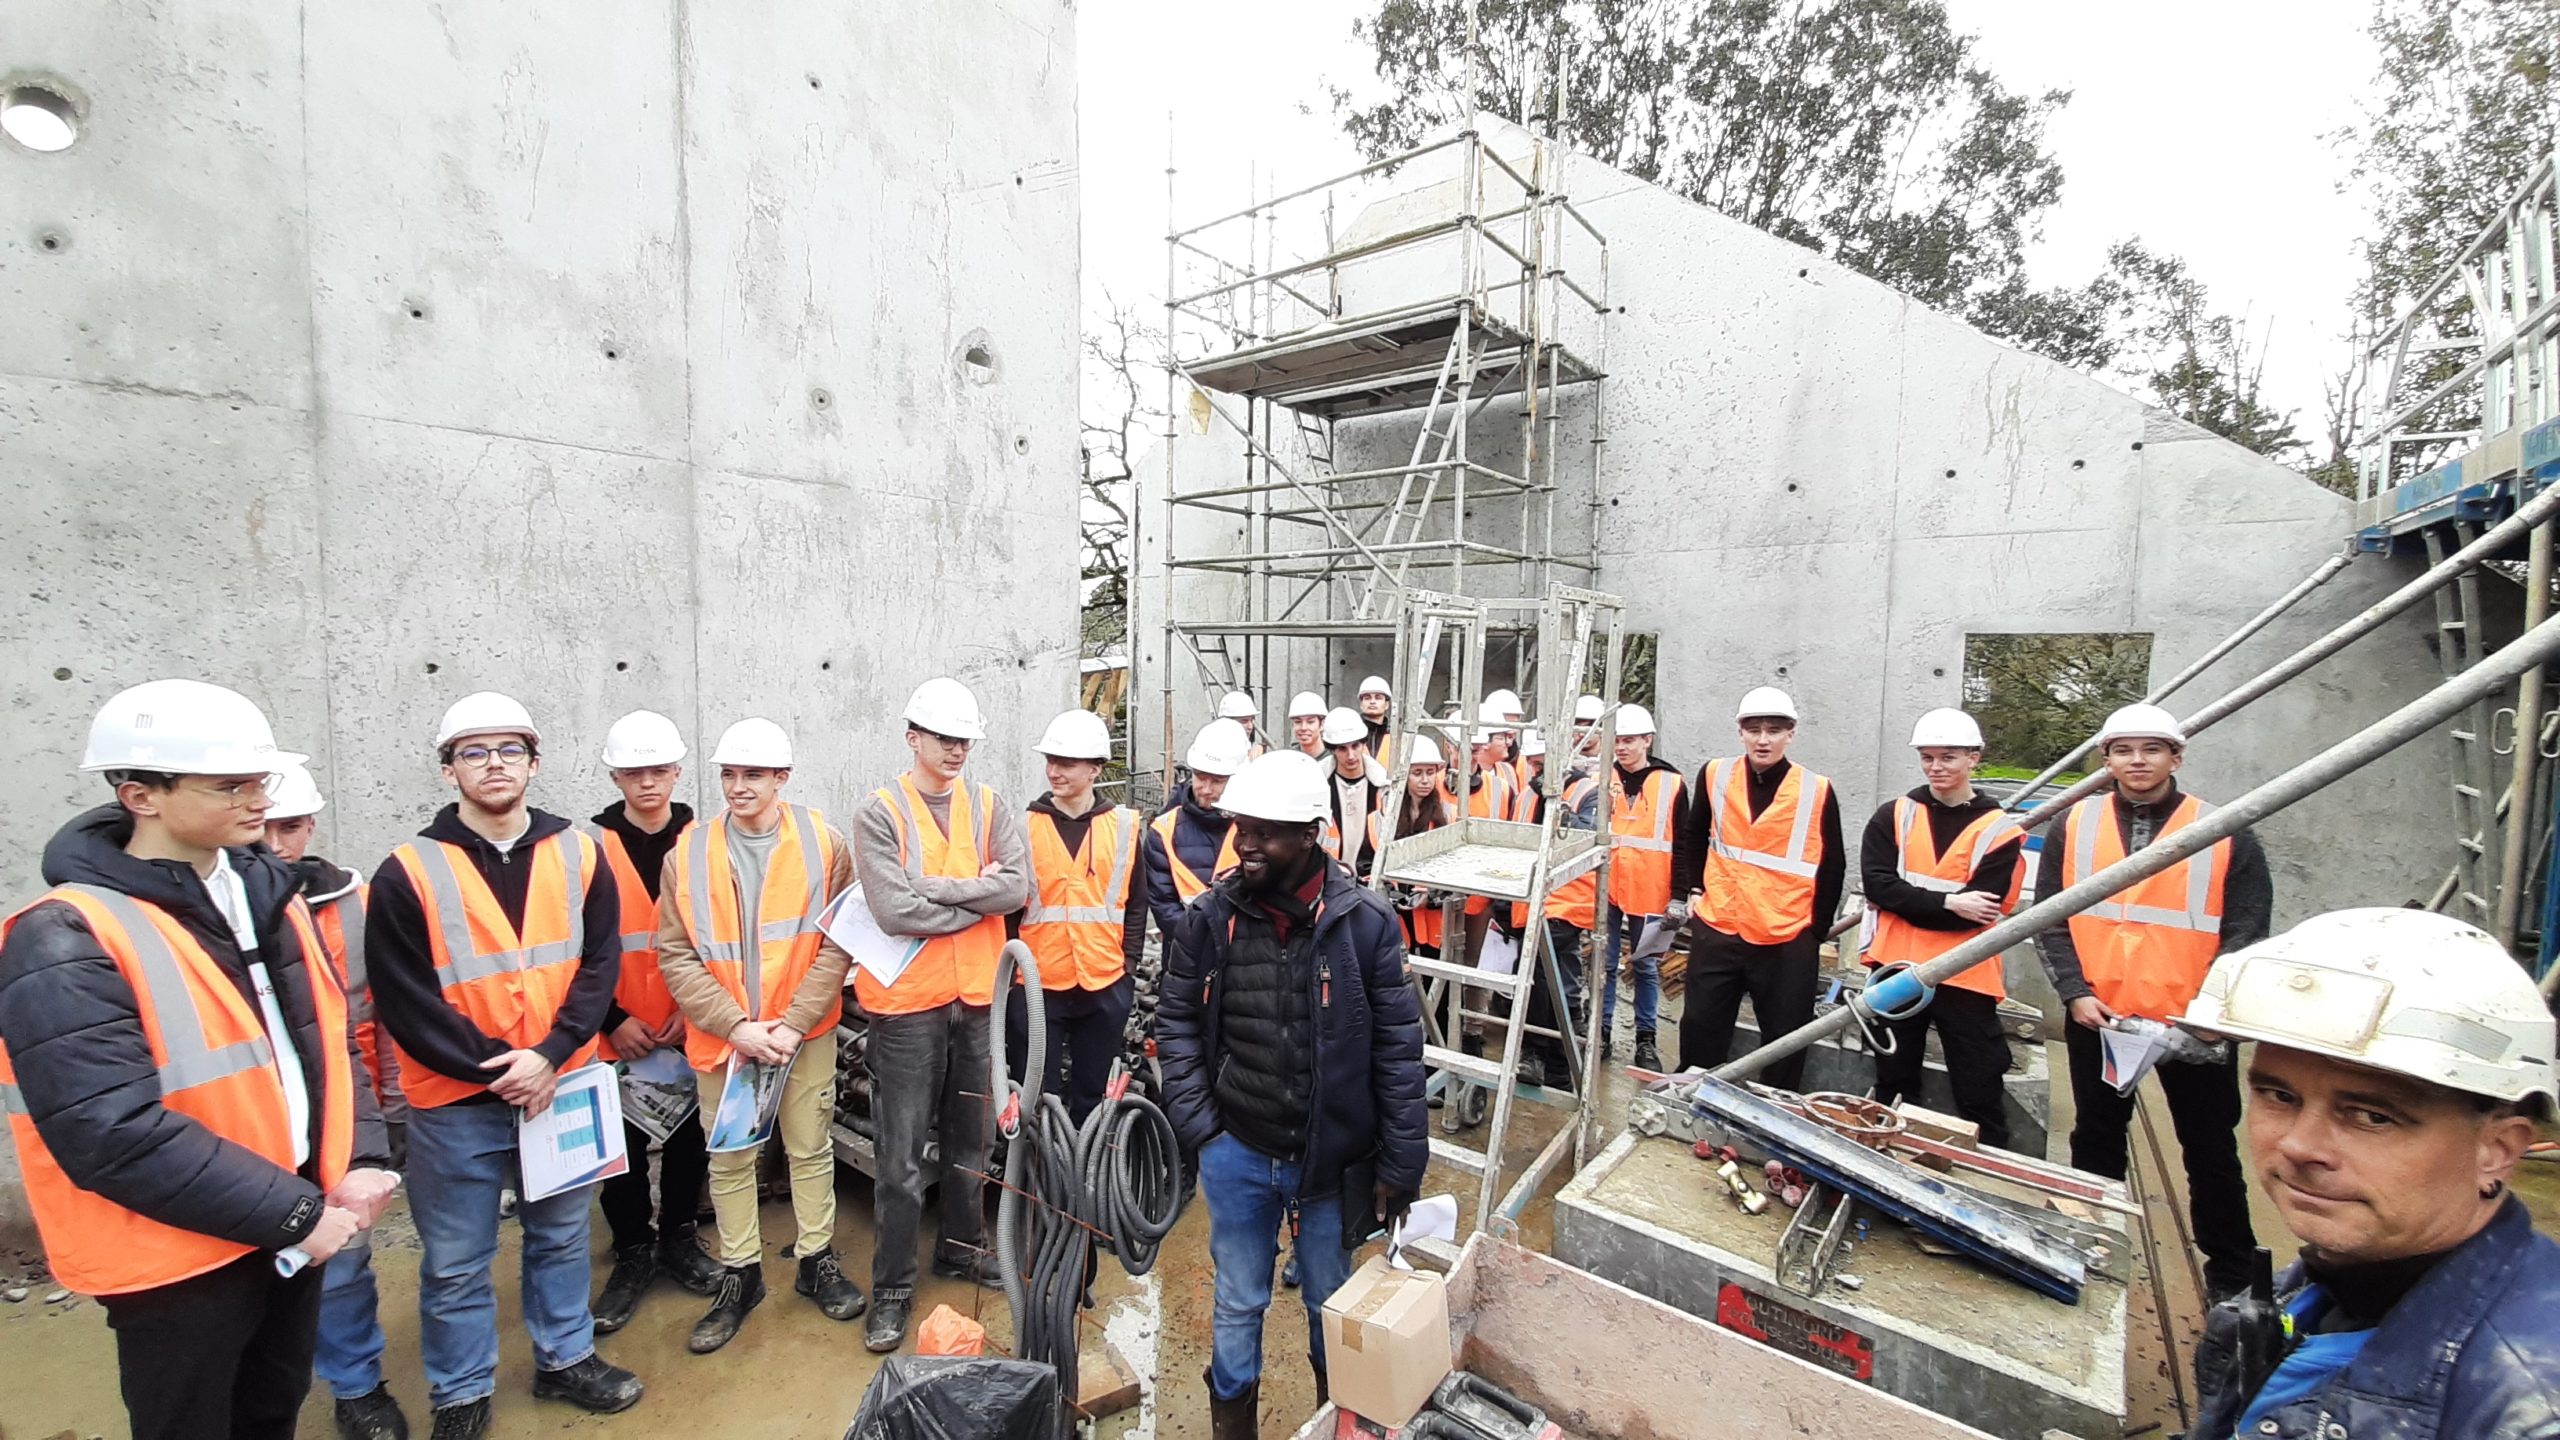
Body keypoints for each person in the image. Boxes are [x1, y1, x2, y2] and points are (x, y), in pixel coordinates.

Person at [0, 681, 394, 1440]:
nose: (258, 801)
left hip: (289, 1227)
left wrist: (364, 1154)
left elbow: (331, 1040)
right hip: (178, 1263)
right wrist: (297, 1212)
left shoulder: (265, 895)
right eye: (231, 786)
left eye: (261, 780)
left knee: (269, 1413)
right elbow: (110, 1133)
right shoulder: (63, 938)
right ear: (139, 793)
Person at [2175, 909, 2560, 1438]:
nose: (2299, 1146)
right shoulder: (2328, 1286)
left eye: (2373, 1116)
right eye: (2278, 1095)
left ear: (2496, 1150)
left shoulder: (2528, 1409)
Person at [368, 692, 642, 1436]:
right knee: (457, 1260)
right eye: (475, 752)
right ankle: (460, 1393)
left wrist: (550, 1055)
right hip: (457, 1103)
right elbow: (406, 998)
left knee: (559, 1237)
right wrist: (502, 1066)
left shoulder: (580, 852)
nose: (494, 765)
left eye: (509, 750)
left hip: (562, 1085)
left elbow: (598, 963)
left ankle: (565, 1359)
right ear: (450, 768)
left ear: (535, 762)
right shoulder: (407, 871)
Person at [1156, 751, 1427, 1439]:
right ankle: (1233, 1426)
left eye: (1265, 831)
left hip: (1328, 1166)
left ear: (1310, 834)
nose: (1245, 841)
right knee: (1239, 1300)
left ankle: (1331, 1422)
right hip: (1237, 1151)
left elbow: (1398, 1049)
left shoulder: (1363, 923)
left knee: (1329, 1306)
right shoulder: (1211, 919)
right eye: (1240, 825)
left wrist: (1401, 1163)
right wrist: (1202, 1129)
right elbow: (1178, 1020)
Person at [2037, 702, 2269, 1298]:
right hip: (2102, 1017)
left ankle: (2232, 1278)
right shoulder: (2074, 825)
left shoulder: (2223, 827)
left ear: (2176, 756)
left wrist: (2211, 1021)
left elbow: (2245, 934)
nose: (2136, 761)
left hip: (2191, 1028)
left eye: (2151, 750)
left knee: (2212, 1152)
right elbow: (2051, 918)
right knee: (2096, 1139)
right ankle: (2092, 1249)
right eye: (2123, 750)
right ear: (2106, 759)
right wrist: (2075, 993)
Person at [656, 718, 861, 1352]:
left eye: (752, 775)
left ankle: (815, 1260)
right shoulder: (686, 854)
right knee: (732, 1158)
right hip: (729, 1042)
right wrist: (740, 1027)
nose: (738, 786)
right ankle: (740, 1275)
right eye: (728, 774)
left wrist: (793, 1024)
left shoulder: (823, 844)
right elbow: (675, 954)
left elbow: (837, 940)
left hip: (804, 1035)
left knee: (809, 1147)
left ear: (782, 778)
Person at [852, 678, 1030, 1352]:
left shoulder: (989, 805)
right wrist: (975, 902)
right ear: (912, 737)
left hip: (977, 1000)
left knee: (972, 1144)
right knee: (898, 1161)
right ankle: (893, 1289)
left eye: (964, 739)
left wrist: (935, 891)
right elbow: (892, 910)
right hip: (906, 1011)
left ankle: (962, 1247)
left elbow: (1016, 886)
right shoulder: (880, 812)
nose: (956, 749)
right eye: (943, 737)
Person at [263, 761, 409, 1440]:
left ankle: (356, 1387)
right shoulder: (194, 911)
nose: (275, 845)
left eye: (290, 827)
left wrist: (389, 1118)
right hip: (242, 1126)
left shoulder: (349, 905)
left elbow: (372, 1019)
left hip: (338, 1122)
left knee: (341, 1261)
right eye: (265, 827)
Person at [583, 710, 724, 1336]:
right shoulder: (585, 851)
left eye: (659, 770)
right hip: (616, 1030)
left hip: (690, 1021)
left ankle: (680, 1240)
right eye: (634, 772)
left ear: (676, 770)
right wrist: (614, 1019)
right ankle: (633, 1251)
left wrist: (689, 1012)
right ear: (615, 775)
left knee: (693, 1137)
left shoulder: (707, 840)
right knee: (622, 1150)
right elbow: (572, 948)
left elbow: (724, 936)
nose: (648, 783)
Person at [1856, 708, 2023, 1148]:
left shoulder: (1999, 830)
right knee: (1893, 1076)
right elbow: (1876, 885)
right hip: (1897, 967)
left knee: (1979, 1081)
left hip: (1964, 972)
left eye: (1948, 757)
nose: (1936, 767)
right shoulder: (1894, 815)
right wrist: (1949, 903)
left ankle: (1988, 1166)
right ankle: (1884, 1156)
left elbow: (1984, 906)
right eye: (1928, 757)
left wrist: (1905, 901)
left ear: (1974, 758)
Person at [1674, 686, 1843, 1093]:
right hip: (1721, 924)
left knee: (1785, 1038)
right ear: (1741, 732)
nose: (1762, 739)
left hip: (1784, 933)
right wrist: (1692, 889)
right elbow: (1693, 835)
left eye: (1773, 730)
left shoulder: (1816, 789)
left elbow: (1832, 864)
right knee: (1701, 1025)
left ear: (1791, 734)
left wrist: (1815, 931)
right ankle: (1695, 1098)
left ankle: (1775, 1109)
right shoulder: (1716, 774)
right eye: (1754, 729)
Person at [1011, 708, 1146, 1123]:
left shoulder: (1123, 827)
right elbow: (1007, 910)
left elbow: (1137, 902)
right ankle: (1039, 1182)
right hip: (1036, 984)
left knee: (1094, 1102)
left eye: (1066, 763)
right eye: (1050, 761)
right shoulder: (1022, 827)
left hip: (1103, 983)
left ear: (1095, 769)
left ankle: (1086, 1182)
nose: (1054, 771)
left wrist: (1128, 967)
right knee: (1036, 1100)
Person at [1600, 704, 1685, 1069]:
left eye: (1629, 740)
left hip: (1652, 891)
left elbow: (1684, 842)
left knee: (1647, 967)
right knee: (1602, 965)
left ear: (1647, 740)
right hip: (1606, 887)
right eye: (1617, 740)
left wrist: (1680, 895)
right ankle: (1600, 1032)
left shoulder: (1672, 782)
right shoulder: (1604, 777)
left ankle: (1645, 1041)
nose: (1621, 747)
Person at [1143, 719, 1249, 943]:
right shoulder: (1164, 831)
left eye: (1217, 781)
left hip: (1246, 961)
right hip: (1187, 956)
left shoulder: (1257, 827)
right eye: (1200, 777)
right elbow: (1164, 906)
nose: (1206, 789)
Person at [1384, 738, 1456, 957]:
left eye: (1430, 772)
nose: (1425, 780)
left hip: (1434, 921)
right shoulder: (1383, 816)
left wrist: (1433, 894)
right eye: (1417, 773)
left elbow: (1456, 871)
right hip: (1395, 918)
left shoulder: (1449, 814)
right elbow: (1369, 865)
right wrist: (1391, 893)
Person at [1318, 706, 1385, 878]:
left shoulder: (1383, 787)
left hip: (1372, 879)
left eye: (1355, 746)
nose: (1351, 755)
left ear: (1364, 744)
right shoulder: (1319, 786)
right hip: (1330, 879)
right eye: (1342, 748)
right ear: (1332, 749)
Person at [1355, 676, 1394, 767]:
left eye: (1378, 698)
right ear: (1361, 704)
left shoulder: (1395, 736)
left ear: (1387, 704)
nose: (1372, 702)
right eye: (1367, 698)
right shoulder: (1351, 732)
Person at [1217, 691, 1268, 759]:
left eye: (1251, 720)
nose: (1250, 727)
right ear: (1226, 721)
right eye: (1244, 721)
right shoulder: (1216, 751)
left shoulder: (1248, 750)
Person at [1286, 692, 1328, 759]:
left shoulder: (1335, 760)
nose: (1303, 728)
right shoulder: (1287, 759)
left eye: (1310, 722)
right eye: (1298, 722)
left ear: (1322, 724)